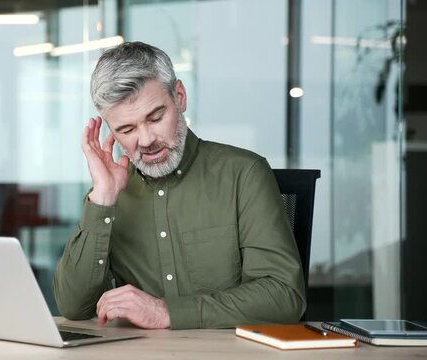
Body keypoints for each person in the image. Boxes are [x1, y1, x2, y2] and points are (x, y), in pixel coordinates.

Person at [53, 41, 305, 330]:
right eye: (127, 129)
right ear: (111, 132)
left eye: (156, 117)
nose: (146, 140)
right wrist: (103, 199)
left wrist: (167, 312)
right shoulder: (110, 194)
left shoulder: (244, 173)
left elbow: (284, 296)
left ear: (180, 97)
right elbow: (73, 306)